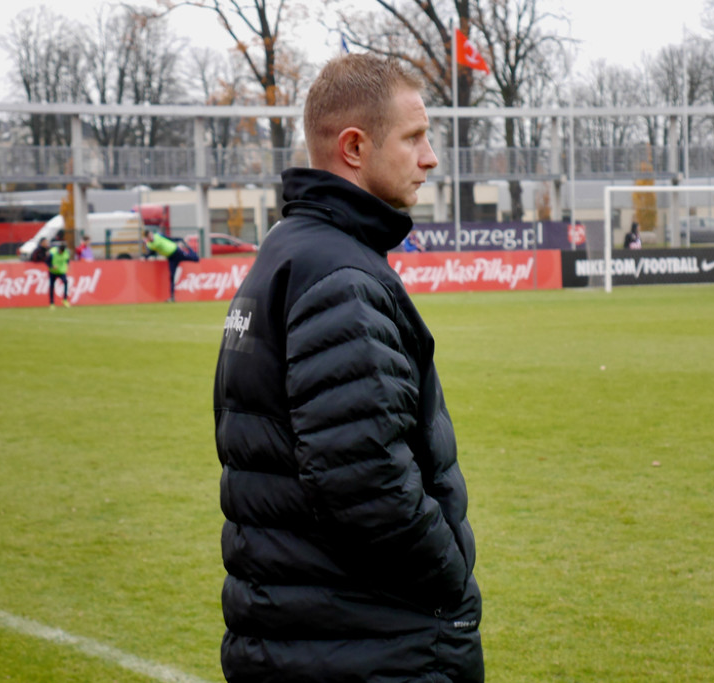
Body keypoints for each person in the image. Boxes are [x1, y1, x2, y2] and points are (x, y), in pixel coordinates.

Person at [213, 54, 483, 682]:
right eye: (414, 138)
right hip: (368, 644)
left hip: (302, 633)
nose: (431, 157)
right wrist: (450, 578)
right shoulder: (339, 275)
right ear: (355, 148)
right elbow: (363, 478)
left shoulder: (289, 251)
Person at [143, 229, 199, 302]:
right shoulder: (150, 245)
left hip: (177, 252)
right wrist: (146, 257)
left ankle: (188, 248)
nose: (151, 236)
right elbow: (152, 253)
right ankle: (172, 297)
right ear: (147, 237)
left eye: (150, 234)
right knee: (172, 276)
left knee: (195, 259)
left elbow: (169, 239)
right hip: (171, 258)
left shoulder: (158, 236)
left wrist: (179, 239)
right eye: (149, 236)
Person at [46, 242, 71, 308]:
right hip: (53, 272)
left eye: (62, 252)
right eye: (60, 251)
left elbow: (67, 260)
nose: (61, 252)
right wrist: (51, 266)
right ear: (58, 249)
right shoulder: (52, 253)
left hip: (61, 271)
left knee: (65, 282)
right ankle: (52, 303)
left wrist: (67, 265)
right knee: (52, 286)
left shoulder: (66, 253)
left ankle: (65, 299)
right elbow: (47, 261)